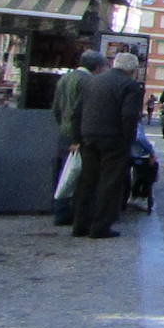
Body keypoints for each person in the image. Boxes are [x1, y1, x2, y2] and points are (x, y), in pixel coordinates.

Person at [70, 51, 145, 239]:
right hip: (114, 138)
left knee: (87, 181)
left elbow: (77, 112)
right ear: (133, 70)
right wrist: (127, 141)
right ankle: (100, 226)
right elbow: (129, 116)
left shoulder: (91, 81)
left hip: (89, 136)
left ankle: (80, 225)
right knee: (109, 183)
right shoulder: (131, 86)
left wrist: (76, 138)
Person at [51, 49, 106, 223]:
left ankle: (60, 211)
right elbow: (86, 111)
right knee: (81, 174)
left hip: (64, 132)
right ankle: (77, 213)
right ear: (97, 66)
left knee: (64, 173)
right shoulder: (90, 82)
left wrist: (63, 124)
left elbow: (56, 109)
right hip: (81, 134)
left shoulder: (64, 79)